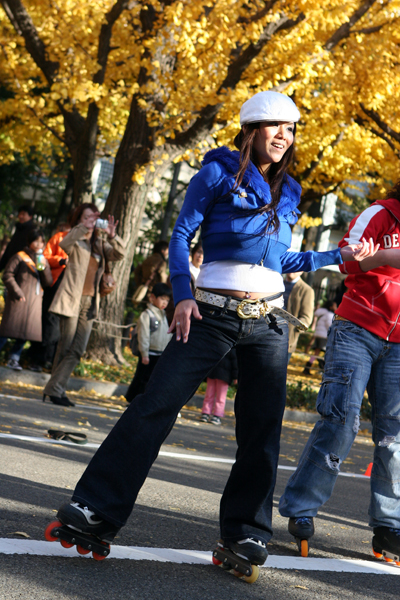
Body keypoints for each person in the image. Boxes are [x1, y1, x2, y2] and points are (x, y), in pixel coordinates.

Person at [49, 91, 376, 570]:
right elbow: (181, 234)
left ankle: (246, 533)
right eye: (276, 125)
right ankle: (96, 508)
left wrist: (339, 257)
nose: (285, 135)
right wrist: (183, 294)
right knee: (154, 404)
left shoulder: (291, 190)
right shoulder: (216, 172)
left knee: (262, 429)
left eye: (292, 128)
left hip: (267, 321)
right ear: (250, 129)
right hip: (209, 312)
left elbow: (281, 260)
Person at [279, 183, 400, 563]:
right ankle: (302, 509)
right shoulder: (381, 213)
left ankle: (389, 526)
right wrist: (388, 255)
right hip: (357, 328)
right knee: (341, 420)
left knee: (394, 435)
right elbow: (346, 259)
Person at [42, 203, 125, 407]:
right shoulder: (75, 240)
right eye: (86, 217)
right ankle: (56, 390)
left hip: (90, 304)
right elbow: (64, 244)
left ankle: (53, 389)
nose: (90, 221)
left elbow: (119, 254)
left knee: (77, 349)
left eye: (93, 218)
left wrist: (113, 236)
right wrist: (82, 228)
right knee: (65, 347)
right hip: (72, 299)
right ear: (79, 219)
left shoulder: (99, 243)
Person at [0, 228, 52, 370]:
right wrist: (17, 291)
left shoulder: (42, 259)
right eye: (36, 241)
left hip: (34, 302)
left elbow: (47, 282)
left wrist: (44, 267)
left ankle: (14, 359)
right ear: (29, 242)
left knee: (24, 333)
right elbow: (7, 275)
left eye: (41, 242)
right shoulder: (20, 257)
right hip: (18, 300)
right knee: (6, 331)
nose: (38, 244)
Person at [28, 221, 71, 372]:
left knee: (60, 325)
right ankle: (39, 358)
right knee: (48, 320)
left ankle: (51, 358)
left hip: (71, 286)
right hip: (54, 283)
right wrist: (60, 260)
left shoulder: (89, 242)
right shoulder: (59, 238)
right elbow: (45, 258)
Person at [125, 283, 172, 403]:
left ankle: (140, 399)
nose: (164, 303)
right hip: (148, 353)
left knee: (151, 378)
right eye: (162, 299)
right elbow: (143, 336)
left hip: (159, 353)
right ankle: (133, 399)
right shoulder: (147, 315)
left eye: (167, 300)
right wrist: (144, 353)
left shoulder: (163, 315)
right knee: (142, 377)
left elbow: (166, 334)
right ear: (152, 298)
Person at [200, 348, 238, 425]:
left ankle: (212, 414)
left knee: (215, 396)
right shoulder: (232, 347)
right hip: (219, 374)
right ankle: (211, 414)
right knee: (214, 396)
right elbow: (235, 362)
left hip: (218, 374)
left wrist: (235, 376)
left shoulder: (231, 348)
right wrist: (235, 376)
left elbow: (235, 363)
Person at [283, 272, 315, 361]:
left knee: (275, 374)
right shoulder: (277, 283)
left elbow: (306, 317)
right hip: (265, 334)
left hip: (286, 340)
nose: (293, 269)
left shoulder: (307, 290)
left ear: (302, 271)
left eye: (297, 266)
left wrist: (295, 330)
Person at [302, 299, 337, 375]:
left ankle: (308, 367)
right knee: (326, 353)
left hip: (318, 335)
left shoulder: (322, 314)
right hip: (324, 336)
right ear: (330, 307)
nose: (336, 307)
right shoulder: (329, 315)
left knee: (316, 353)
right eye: (335, 306)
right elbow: (329, 326)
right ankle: (322, 367)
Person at [0, 205, 36, 272]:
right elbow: (10, 247)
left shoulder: (33, 231)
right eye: (19, 214)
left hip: (22, 267)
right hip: (12, 262)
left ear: (30, 216)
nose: (20, 216)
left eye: (23, 214)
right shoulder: (19, 228)